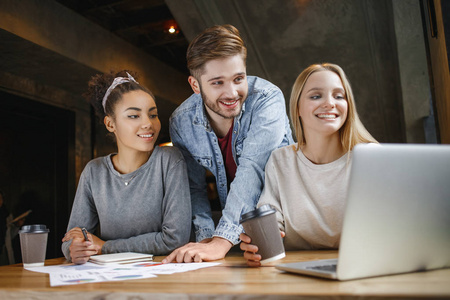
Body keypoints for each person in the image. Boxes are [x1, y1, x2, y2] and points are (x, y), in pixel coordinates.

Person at [163, 25, 293, 263]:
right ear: (195, 85)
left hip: (286, 224)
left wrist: (221, 240)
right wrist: (205, 240)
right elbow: (193, 188)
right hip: (240, 233)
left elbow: (253, 168)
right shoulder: (181, 122)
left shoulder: (267, 99)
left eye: (238, 79)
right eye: (217, 83)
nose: (232, 93)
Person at [240, 63, 378, 266]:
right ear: (297, 108)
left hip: (363, 267)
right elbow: (272, 222)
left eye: (339, 96)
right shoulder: (280, 161)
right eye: (316, 96)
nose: (330, 103)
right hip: (296, 271)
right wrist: (257, 246)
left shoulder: (371, 158)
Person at [61, 71, 191, 264]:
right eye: (133, 115)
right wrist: (75, 248)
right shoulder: (94, 171)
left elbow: (174, 239)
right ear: (110, 123)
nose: (148, 123)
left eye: (153, 114)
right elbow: (72, 236)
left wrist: (106, 247)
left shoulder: (169, 160)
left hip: (162, 278)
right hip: (109, 279)